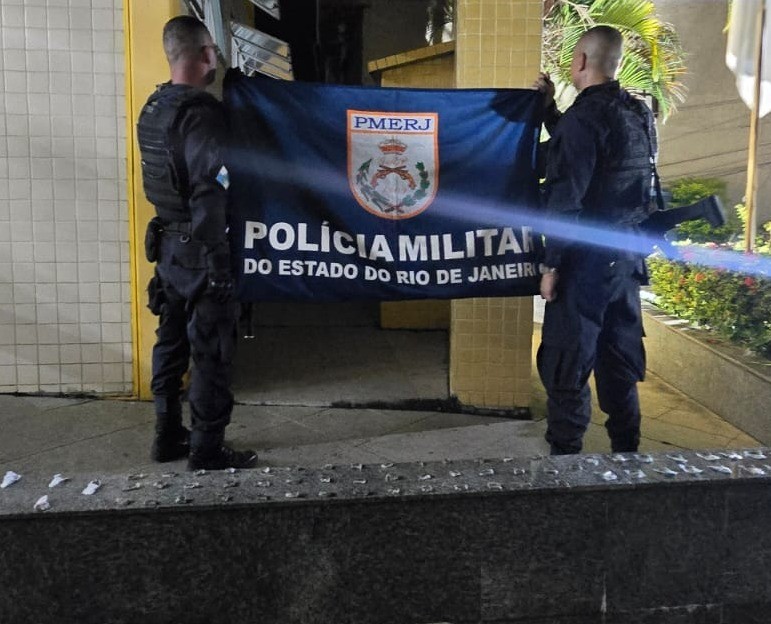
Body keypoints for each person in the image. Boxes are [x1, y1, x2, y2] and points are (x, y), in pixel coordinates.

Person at [137, 15, 257, 470]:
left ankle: (166, 437)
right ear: (206, 53)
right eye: (214, 50)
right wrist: (219, 266)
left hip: (166, 247)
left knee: (170, 342)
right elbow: (209, 190)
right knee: (211, 349)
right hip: (199, 249)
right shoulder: (202, 114)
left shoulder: (155, 106)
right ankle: (207, 449)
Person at [533, 26, 657, 455]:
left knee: (567, 367)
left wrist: (551, 266)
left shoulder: (585, 119)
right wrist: (551, 112)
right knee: (619, 364)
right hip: (626, 261)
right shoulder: (638, 113)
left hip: (584, 268)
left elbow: (569, 198)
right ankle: (628, 459)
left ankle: (565, 472)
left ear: (582, 61)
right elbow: (600, 155)